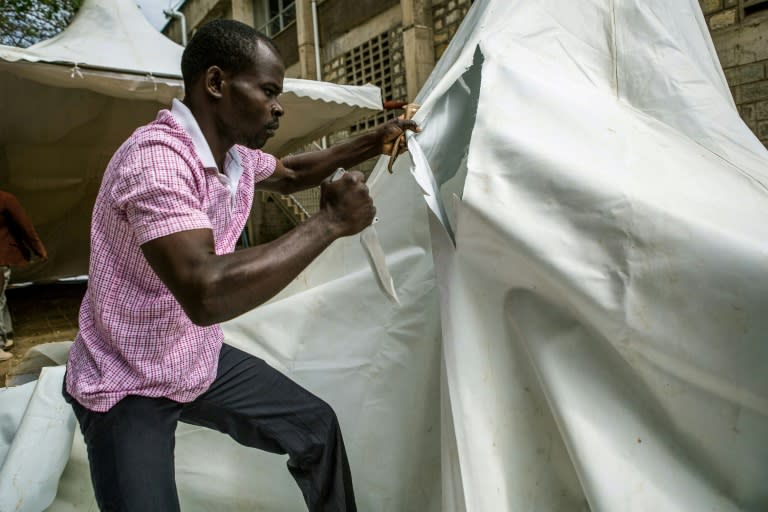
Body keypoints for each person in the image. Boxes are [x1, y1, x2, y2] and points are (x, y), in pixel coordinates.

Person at [62, 19, 418, 512]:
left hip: (192, 354)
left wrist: (374, 140)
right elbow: (205, 292)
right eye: (269, 90)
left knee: (316, 429)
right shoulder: (156, 160)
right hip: (125, 376)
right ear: (215, 83)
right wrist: (330, 223)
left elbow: (292, 171)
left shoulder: (234, 159)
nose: (278, 106)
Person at [0, 190, 48, 362]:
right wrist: (39, 249)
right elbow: (24, 226)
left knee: (1, 297)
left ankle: (6, 336)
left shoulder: (5, 198)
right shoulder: (5, 198)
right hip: (1, 257)